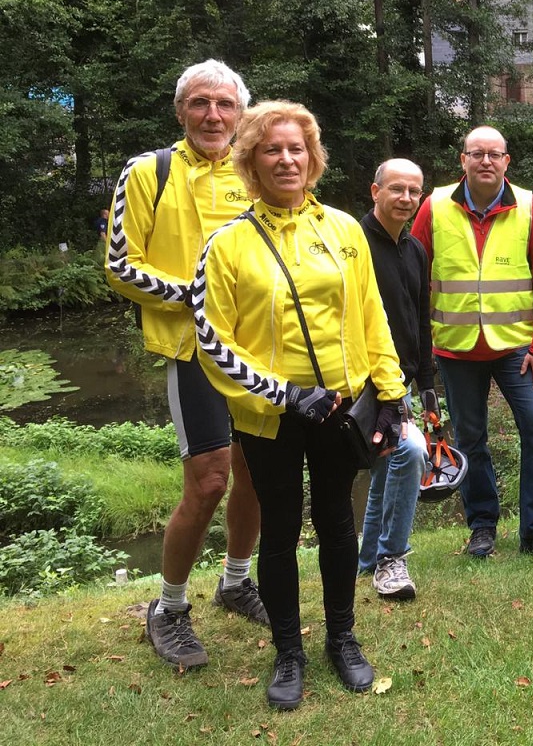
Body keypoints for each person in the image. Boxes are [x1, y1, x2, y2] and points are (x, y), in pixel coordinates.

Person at [193, 100, 406, 709]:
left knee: (338, 521)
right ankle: (289, 651)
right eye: (271, 149)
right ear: (251, 162)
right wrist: (282, 393)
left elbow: (372, 316)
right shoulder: (227, 245)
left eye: (296, 149)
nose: (286, 159)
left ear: (313, 158)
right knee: (280, 529)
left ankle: (343, 639)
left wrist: (390, 395)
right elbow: (214, 340)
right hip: (270, 416)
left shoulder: (344, 231)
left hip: (341, 408)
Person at [104, 59, 265, 669]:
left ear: (240, 113)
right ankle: (168, 608)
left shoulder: (256, 171)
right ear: (181, 112)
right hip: (192, 349)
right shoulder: (151, 171)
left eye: (225, 104)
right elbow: (121, 266)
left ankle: (236, 581)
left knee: (255, 475)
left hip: (259, 351)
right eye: (200, 103)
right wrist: (201, 298)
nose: (213, 115)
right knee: (209, 482)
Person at [409, 126, 533, 561]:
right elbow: (414, 279)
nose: (485, 161)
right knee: (471, 438)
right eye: (476, 154)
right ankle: (482, 527)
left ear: (506, 161)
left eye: (493, 154)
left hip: (518, 349)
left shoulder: (531, 208)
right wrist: (419, 349)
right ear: (462, 160)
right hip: (456, 348)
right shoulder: (435, 206)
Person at [358, 159, 433, 600]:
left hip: (401, 380)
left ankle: (368, 560)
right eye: (397, 190)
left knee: (389, 461)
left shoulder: (415, 249)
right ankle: (391, 559)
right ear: (375, 191)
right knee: (410, 450)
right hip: (363, 382)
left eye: (414, 191)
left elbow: (419, 318)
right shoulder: (354, 243)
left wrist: (426, 384)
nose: (406, 198)